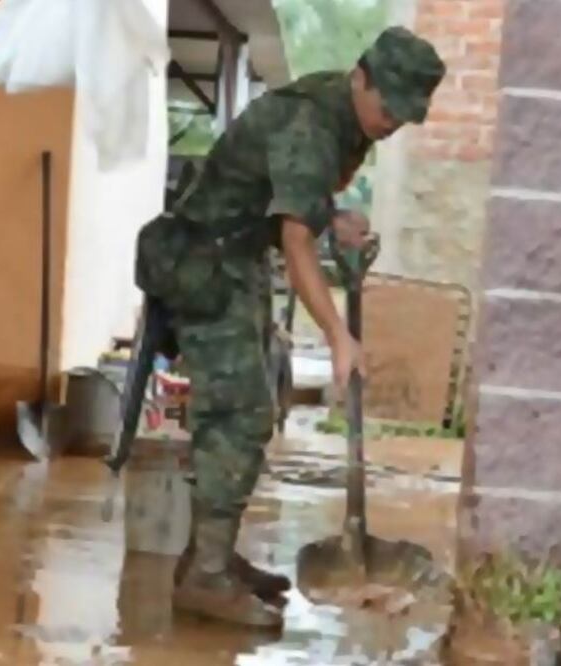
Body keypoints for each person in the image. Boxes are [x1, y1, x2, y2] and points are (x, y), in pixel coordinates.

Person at [134, 27, 446, 628]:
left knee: (251, 407)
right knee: (238, 414)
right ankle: (205, 578)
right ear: (361, 78)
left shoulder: (344, 119)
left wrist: (337, 218)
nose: (392, 124)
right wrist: (337, 335)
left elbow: (300, 207)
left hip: (236, 259)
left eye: (405, 117)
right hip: (202, 263)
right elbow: (295, 240)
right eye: (387, 108)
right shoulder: (312, 124)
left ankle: (210, 557)